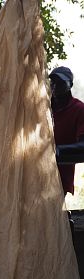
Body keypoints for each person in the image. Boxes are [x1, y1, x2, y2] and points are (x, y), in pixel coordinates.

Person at [49, 66, 84, 195]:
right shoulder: (42, 107)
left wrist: (56, 150)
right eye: (52, 82)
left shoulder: (79, 109)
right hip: (34, 173)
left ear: (70, 85)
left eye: (60, 82)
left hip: (61, 176)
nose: (55, 86)